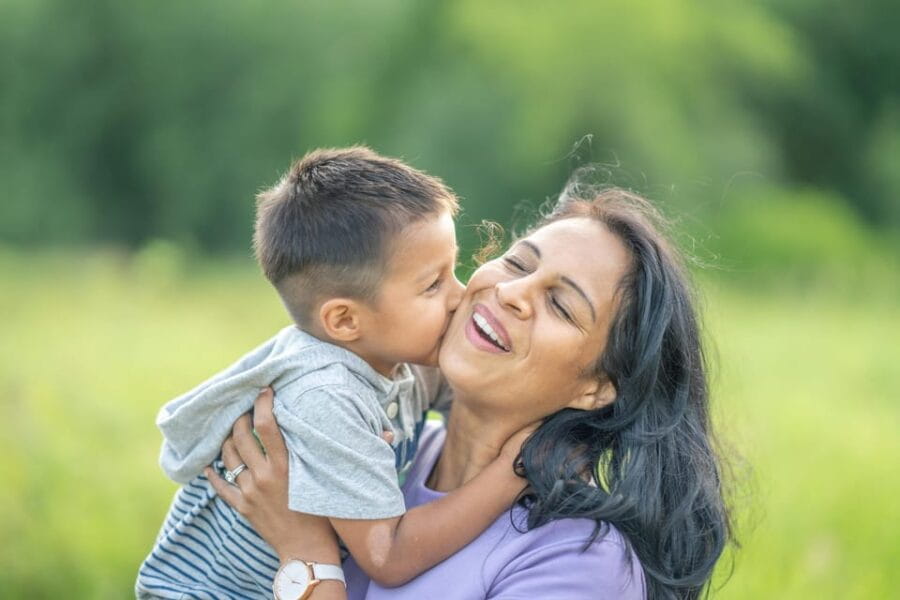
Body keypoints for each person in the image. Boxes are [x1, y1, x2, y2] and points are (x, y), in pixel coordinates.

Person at [212, 179, 734, 600]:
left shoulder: (577, 560)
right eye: (519, 263)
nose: (511, 292)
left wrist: (305, 556)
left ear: (598, 388)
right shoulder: (384, 447)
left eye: (560, 305)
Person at [136, 147, 529, 600]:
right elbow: (388, 555)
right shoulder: (325, 394)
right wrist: (511, 472)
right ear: (344, 320)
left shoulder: (401, 356)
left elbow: (484, 397)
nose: (459, 297)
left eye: (453, 271)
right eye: (433, 284)